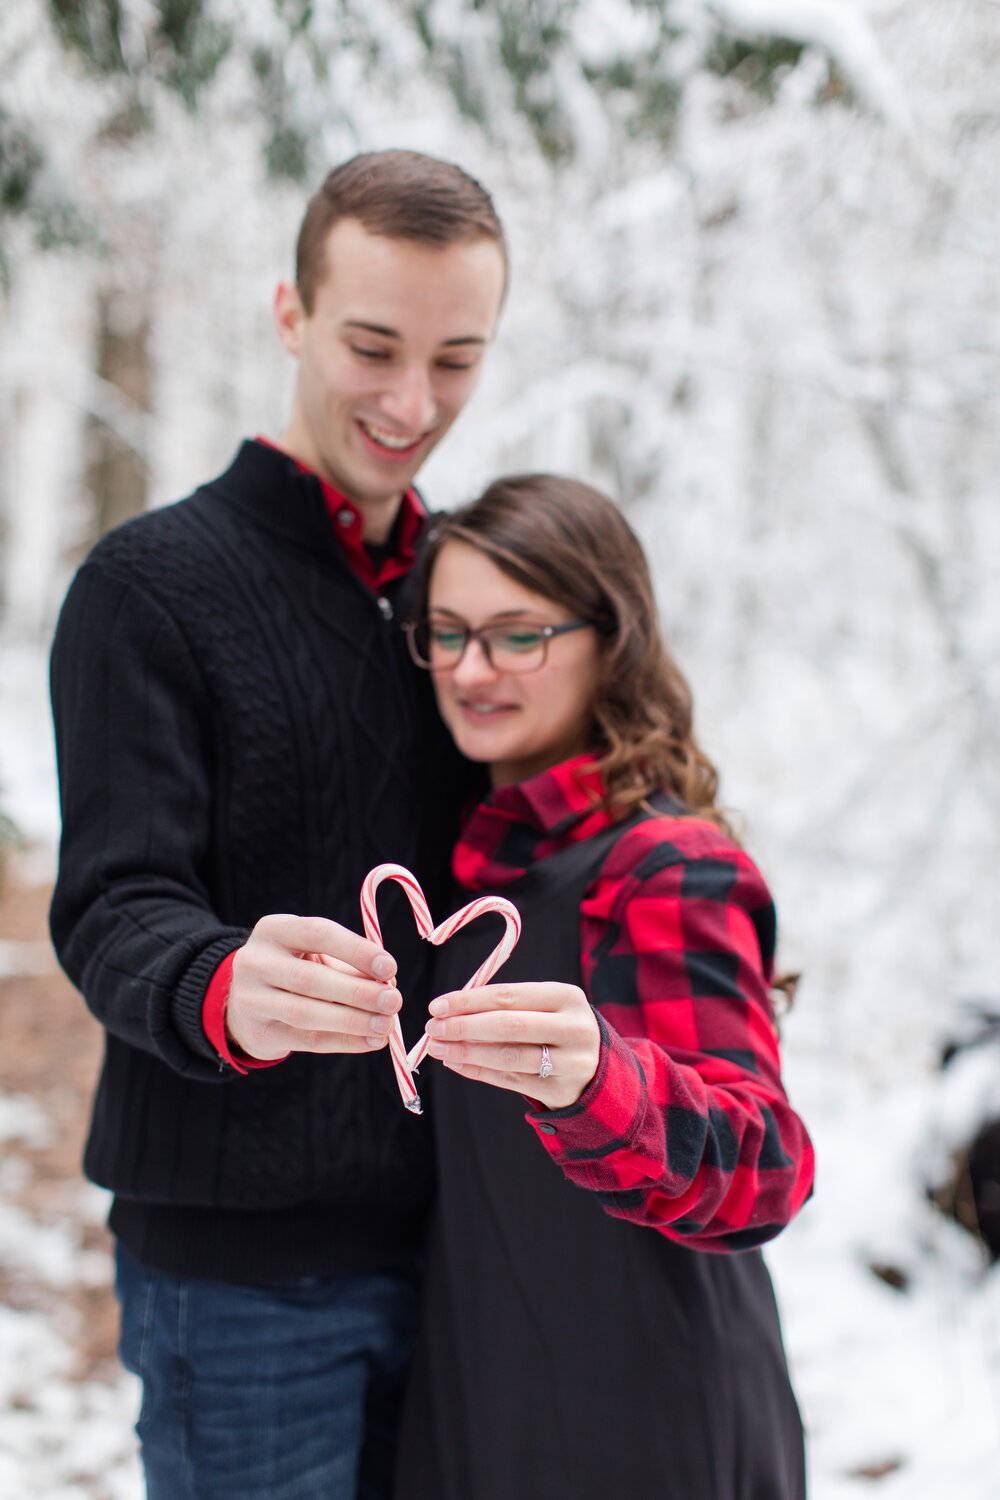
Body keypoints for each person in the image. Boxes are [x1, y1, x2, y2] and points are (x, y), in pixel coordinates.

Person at [48, 149, 507, 1499]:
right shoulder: (149, 587)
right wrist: (220, 985)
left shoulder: (475, 602)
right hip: (242, 1286)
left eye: (457, 359)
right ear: (291, 314)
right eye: (373, 347)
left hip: (470, 1255)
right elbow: (113, 904)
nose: (412, 403)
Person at [394, 474, 816, 1500]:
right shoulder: (476, 863)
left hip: (643, 1416)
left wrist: (600, 1085)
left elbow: (765, 1163)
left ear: (609, 640)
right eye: (446, 634)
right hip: (488, 1390)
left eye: (518, 636)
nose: (472, 669)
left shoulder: (662, 867)